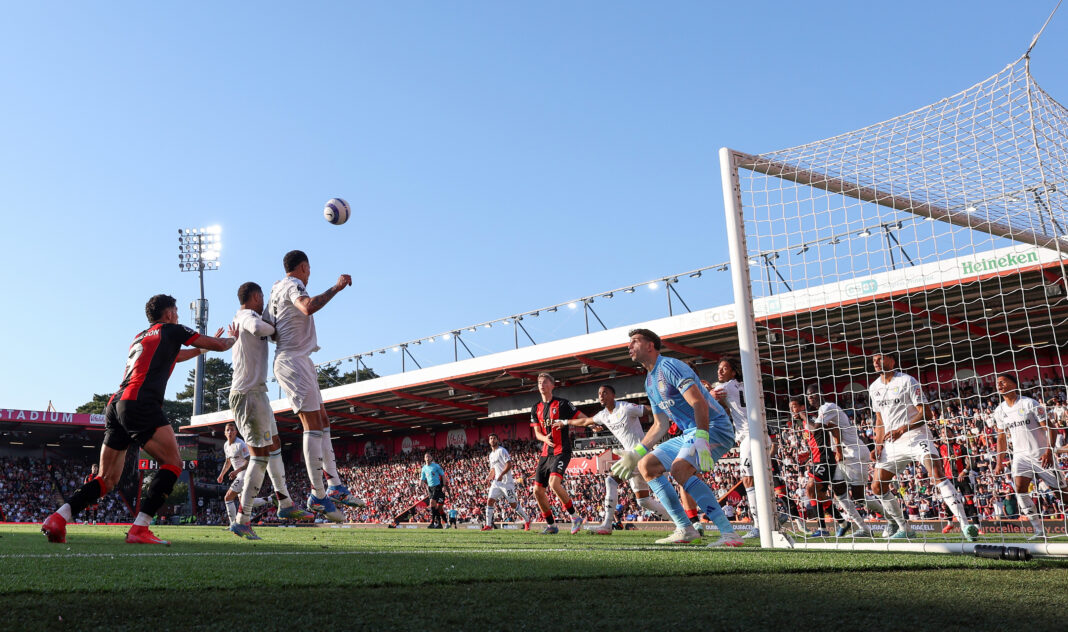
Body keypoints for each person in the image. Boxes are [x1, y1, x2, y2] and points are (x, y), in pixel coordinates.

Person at [42, 294, 236, 545]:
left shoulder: (141, 337)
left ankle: (58, 518)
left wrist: (199, 349)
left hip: (116, 404)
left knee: (106, 479)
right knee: (174, 463)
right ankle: (140, 527)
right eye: (176, 311)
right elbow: (220, 345)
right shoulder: (172, 329)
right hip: (140, 402)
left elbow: (175, 357)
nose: (178, 316)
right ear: (168, 314)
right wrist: (233, 339)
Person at [612, 329, 742, 547]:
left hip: (713, 427)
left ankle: (729, 533)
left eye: (634, 341)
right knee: (647, 465)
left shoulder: (670, 366)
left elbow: (699, 402)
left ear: (650, 346)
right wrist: (636, 453)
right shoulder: (649, 382)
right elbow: (660, 424)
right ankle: (685, 529)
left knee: (679, 469)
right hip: (690, 432)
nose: (629, 346)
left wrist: (701, 435)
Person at [267, 250, 360, 521]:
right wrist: (337, 288)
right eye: (309, 269)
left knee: (322, 419)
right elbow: (307, 306)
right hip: (292, 360)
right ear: (304, 267)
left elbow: (270, 328)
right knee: (312, 425)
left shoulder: (276, 289)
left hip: (298, 358)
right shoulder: (294, 285)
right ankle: (318, 495)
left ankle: (335, 486)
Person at [227, 281, 314, 540]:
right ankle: (242, 519)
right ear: (255, 296)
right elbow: (258, 327)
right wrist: (274, 327)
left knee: (274, 444)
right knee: (260, 457)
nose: (264, 300)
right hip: (247, 395)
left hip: (257, 393)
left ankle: (285, 504)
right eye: (262, 296)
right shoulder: (246, 316)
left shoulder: (246, 315)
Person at [868, 352, 978, 541]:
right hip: (892, 443)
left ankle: (966, 526)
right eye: (873, 360)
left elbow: (927, 413)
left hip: (916, 437)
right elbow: (879, 419)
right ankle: (904, 527)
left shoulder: (907, 381)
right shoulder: (874, 387)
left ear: (892, 360)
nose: (876, 362)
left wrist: (903, 429)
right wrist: (878, 445)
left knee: (936, 473)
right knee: (877, 486)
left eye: (881, 358)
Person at [563, 385, 669, 534]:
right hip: (629, 458)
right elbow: (585, 422)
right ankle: (680, 521)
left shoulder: (626, 408)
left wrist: (667, 409)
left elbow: (648, 409)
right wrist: (565, 422)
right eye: (599, 393)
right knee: (643, 501)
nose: (601, 395)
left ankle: (607, 525)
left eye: (605, 392)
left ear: (613, 395)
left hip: (640, 455)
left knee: (611, 480)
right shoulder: (603, 415)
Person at [993, 372, 1067, 540]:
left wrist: (1048, 451)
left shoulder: (1029, 403)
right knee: (1019, 489)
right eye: (997, 383)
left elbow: (1051, 428)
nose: (999, 385)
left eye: (1003, 382)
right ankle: (1039, 531)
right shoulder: (999, 411)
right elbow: (1002, 437)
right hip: (1020, 457)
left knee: (1061, 495)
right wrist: (999, 461)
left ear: (1013, 384)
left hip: (1041, 455)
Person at [789, 389, 869, 538]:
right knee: (817, 492)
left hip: (826, 458)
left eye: (794, 406)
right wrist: (808, 454)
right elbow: (816, 439)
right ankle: (841, 522)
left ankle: (825, 528)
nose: (792, 410)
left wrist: (837, 450)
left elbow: (835, 428)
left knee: (811, 489)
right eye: (790, 407)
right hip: (818, 458)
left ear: (801, 407)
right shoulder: (804, 421)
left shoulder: (812, 417)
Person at [530, 372, 588, 535]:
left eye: (545, 382)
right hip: (545, 453)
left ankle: (575, 517)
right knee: (537, 491)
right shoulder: (536, 408)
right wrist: (544, 439)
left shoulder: (562, 404)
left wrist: (591, 424)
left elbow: (580, 416)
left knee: (554, 484)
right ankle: (551, 525)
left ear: (552, 385)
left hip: (562, 451)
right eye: (539, 382)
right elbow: (537, 433)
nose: (541, 384)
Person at [217, 422, 269, 531]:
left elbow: (250, 460)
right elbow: (228, 462)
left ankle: (233, 525)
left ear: (236, 432)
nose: (230, 432)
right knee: (244, 502)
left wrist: (236, 471)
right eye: (228, 430)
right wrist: (222, 474)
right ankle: (269, 499)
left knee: (228, 497)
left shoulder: (241, 444)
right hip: (239, 474)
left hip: (244, 473)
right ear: (225, 433)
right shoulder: (226, 445)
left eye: (232, 430)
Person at [482, 433, 531, 531]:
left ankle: (527, 520)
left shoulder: (502, 451)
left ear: (497, 440)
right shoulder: (491, 455)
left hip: (506, 482)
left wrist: (501, 475)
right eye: (490, 438)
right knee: (490, 500)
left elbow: (509, 465)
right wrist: (488, 478)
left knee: (513, 504)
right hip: (496, 482)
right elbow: (493, 470)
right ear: (489, 441)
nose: (492, 440)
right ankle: (488, 525)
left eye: (494, 438)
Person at [419, 452, 448, 528]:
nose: (427, 458)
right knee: (434, 506)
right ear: (424, 459)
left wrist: (444, 486)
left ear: (431, 458)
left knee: (432, 503)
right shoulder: (424, 468)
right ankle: (439, 523)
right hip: (430, 488)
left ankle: (432, 523)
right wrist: (420, 486)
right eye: (426, 457)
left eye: (429, 456)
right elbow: (422, 478)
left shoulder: (436, 466)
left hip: (437, 486)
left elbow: (443, 475)